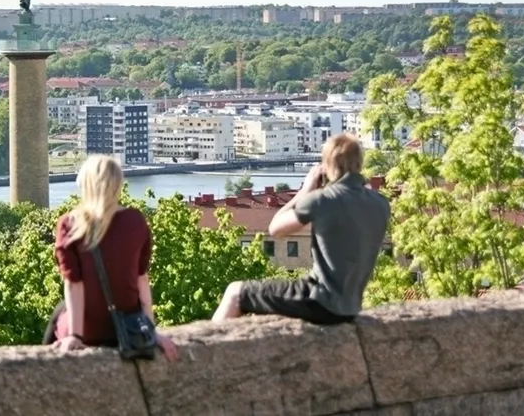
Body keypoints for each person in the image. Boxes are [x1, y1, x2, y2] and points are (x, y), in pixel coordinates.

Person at [212, 133, 390, 325]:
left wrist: (305, 191)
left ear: (327, 164)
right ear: (359, 163)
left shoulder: (323, 200)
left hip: (319, 300)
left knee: (235, 292)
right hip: (351, 307)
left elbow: (276, 229)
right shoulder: (380, 203)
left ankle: (208, 347)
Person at [42, 154, 178, 361]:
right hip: (128, 328)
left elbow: (74, 284)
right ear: (117, 185)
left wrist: (75, 335)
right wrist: (149, 330)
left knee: (59, 312)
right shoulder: (135, 220)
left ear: (86, 184)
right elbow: (141, 279)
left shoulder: (70, 224)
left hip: (90, 331)